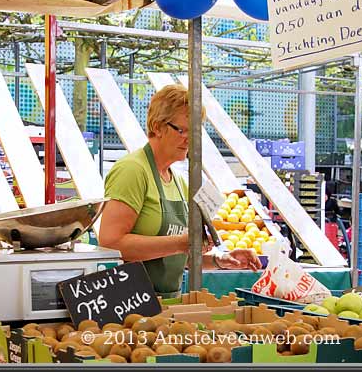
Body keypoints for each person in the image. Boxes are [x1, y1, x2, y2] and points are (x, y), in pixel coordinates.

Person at [99, 84, 262, 298]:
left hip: (169, 303)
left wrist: (217, 260)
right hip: (131, 305)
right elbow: (110, 243)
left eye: (195, 131)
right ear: (157, 127)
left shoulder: (179, 182)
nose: (190, 139)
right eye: (183, 130)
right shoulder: (133, 171)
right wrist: (181, 242)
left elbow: (171, 254)